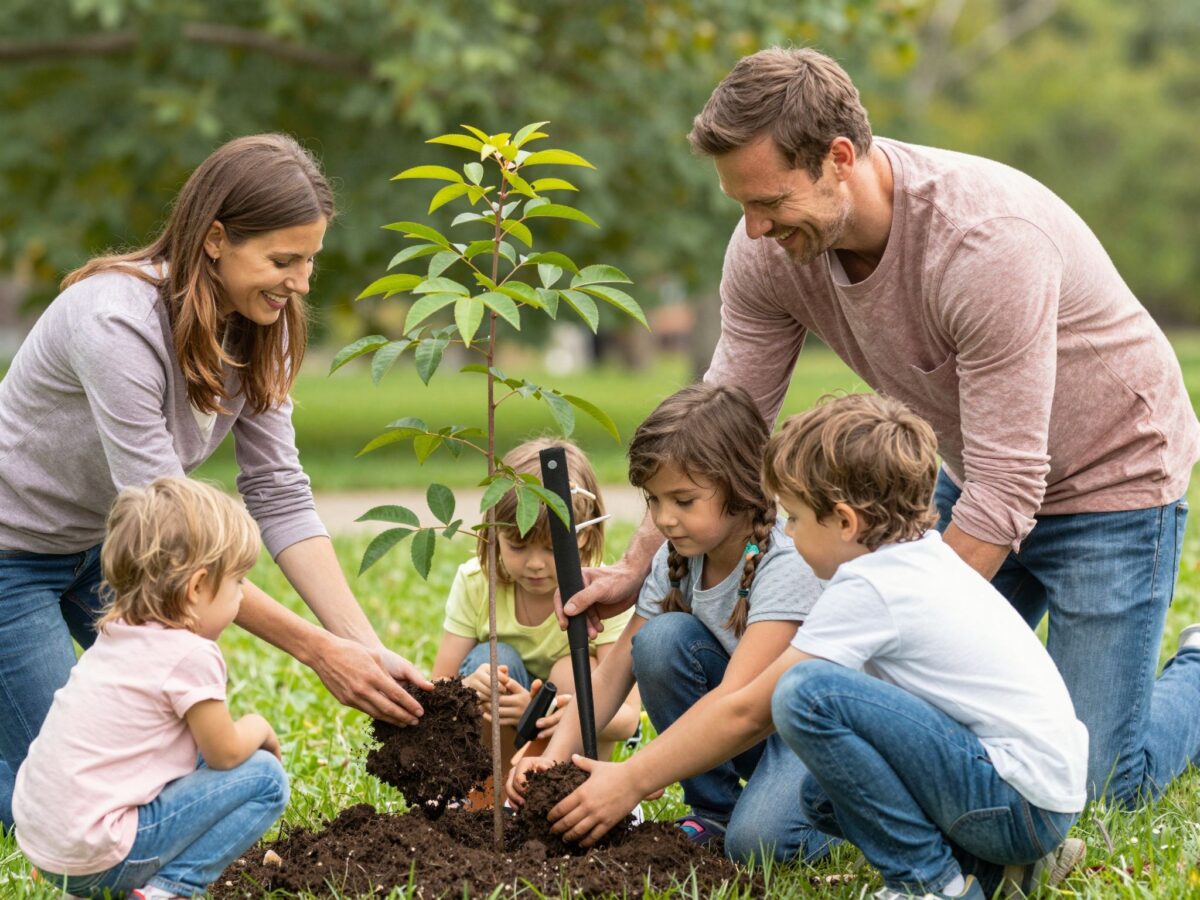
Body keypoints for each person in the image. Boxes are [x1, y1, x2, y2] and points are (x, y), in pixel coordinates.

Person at [561, 47, 1200, 807]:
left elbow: (1009, 491)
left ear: (838, 158)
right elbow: (720, 431)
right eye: (740, 203)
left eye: (768, 200)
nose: (755, 228)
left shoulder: (983, 244)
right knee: (918, 705)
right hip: (977, 475)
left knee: (1089, 788)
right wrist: (639, 564)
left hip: (1112, 484)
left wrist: (877, 640)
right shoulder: (769, 252)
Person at [0, 133, 432, 829]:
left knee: (173, 763)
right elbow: (177, 537)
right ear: (215, 240)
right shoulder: (116, 322)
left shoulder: (265, 323)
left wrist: (363, 646)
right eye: (283, 260)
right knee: (59, 805)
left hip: (115, 556)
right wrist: (316, 651)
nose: (300, 282)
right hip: (12, 554)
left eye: (310, 261)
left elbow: (279, 491)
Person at [542, 394, 1088, 899]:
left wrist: (631, 781)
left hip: (1013, 800)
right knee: (821, 798)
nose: (790, 533)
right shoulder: (914, 560)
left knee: (807, 695)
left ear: (846, 522)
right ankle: (1007, 869)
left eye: (797, 519)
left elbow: (748, 708)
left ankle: (930, 884)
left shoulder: (870, 585)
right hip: (1025, 797)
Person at [511, 384, 832, 865]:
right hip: (752, 730)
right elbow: (610, 676)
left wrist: (633, 778)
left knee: (759, 845)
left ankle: (845, 821)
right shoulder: (676, 558)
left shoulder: (784, 565)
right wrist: (549, 762)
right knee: (659, 642)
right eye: (654, 500)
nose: (664, 519)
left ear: (743, 485)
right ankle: (715, 810)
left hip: (812, 744)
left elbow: (740, 708)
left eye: (683, 501)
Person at [14, 478, 289, 900]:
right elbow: (225, 753)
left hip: (48, 851)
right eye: (238, 583)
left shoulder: (117, 632)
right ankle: (168, 891)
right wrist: (259, 727)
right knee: (267, 778)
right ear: (198, 587)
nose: (239, 597)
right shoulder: (190, 655)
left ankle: (90, 888)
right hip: (100, 853)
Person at [431, 439, 640, 775]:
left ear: (582, 536)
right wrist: (469, 688)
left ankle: (569, 786)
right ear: (495, 533)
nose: (535, 565)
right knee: (493, 662)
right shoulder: (476, 582)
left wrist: (549, 712)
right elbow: (438, 687)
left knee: (572, 672)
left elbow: (628, 719)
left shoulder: (601, 592)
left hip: (571, 745)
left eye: (550, 548)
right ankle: (491, 793)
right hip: (497, 741)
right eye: (518, 546)